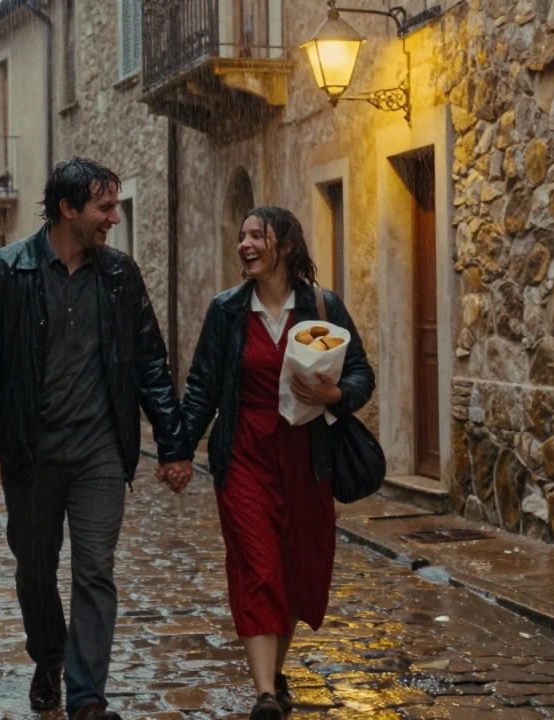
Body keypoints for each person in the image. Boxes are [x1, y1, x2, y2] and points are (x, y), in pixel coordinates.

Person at [0, 158, 193, 720]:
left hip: (99, 452)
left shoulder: (120, 275)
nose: (113, 217)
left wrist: (174, 442)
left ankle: (87, 697)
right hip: (29, 454)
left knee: (94, 569)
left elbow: (152, 366)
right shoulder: (7, 272)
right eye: (103, 207)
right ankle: (49, 656)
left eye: (114, 206)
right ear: (67, 209)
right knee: (35, 568)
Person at [173, 206, 375, 719]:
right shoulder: (226, 311)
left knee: (293, 567)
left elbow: (361, 376)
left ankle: (275, 674)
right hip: (244, 454)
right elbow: (201, 388)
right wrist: (178, 448)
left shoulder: (323, 306)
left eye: (256, 235)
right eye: (240, 235)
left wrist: (336, 393)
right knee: (257, 565)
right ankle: (265, 694)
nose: (244, 244)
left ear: (283, 245)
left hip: (308, 461)